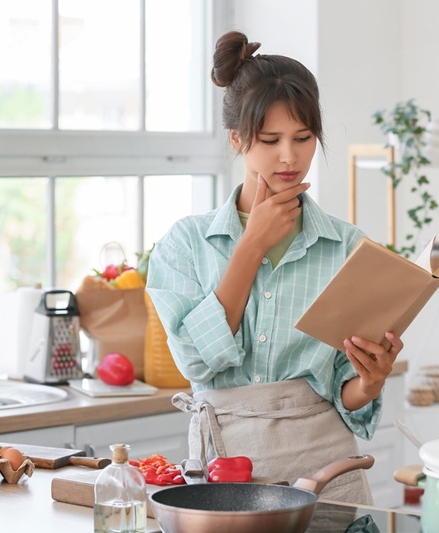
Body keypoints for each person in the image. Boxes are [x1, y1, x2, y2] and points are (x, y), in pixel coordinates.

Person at [146, 31, 403, 505]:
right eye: (271, 140)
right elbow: (197, 361)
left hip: (329, 473)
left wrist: (369, 383)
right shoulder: (184, 243)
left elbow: (340, 391)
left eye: (303, 138)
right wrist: (251, 246)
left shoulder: (348, 247)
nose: (290, 156)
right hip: (224, 478)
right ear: (238, 139)